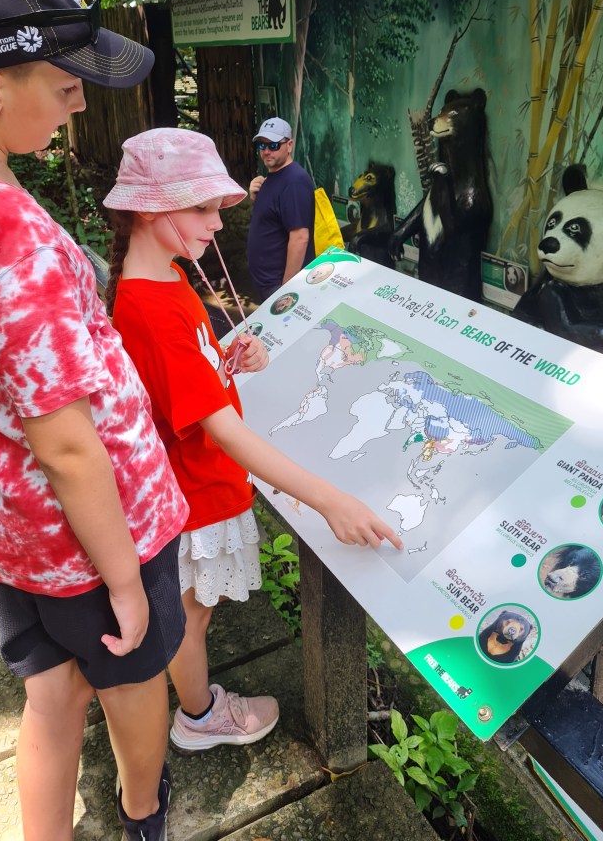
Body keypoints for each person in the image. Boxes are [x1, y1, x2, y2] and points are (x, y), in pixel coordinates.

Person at [0, 0, 189, 841]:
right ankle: (144, 811)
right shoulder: (9, 238)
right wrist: (127, 582)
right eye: (68, 87)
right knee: (131, 674)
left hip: (2, 526)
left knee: (50, 694)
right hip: (95, 534)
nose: (80, 106)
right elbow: (68, 445)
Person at [103, 128, 404, 751]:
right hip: (196, 492)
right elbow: (223, 431)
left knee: (194, 611)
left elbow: (190, 374)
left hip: (200, 483)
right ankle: (198, 715)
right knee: (190, 618)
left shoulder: (168, 279)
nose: (218, 223)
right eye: (202, 208)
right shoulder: (150, 308)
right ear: (149, 209)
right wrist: (330, 500)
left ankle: (195, 704)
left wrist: (228, 356)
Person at [246, 117, 315, 301]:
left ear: (289, 145)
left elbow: (300, 237)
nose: (267, 151)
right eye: (262, 145)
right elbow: (273, 219)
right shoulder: (273, 177)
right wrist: (256, 196)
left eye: (274, 145)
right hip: (267, 282)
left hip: (279, 286)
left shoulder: (294, 181)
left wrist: (287, 289)